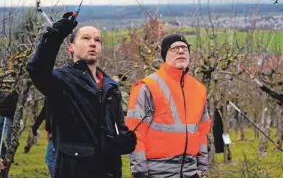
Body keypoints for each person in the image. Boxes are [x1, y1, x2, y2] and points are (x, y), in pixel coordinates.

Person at [27, 18, 136, 177]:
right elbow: (37, 70)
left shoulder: (111, 86)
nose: (93, 43)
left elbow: (119, 127)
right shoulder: (62, 80)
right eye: (86, 38)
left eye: (97, 40)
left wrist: (125, 141)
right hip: (74, 171)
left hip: (110, 172)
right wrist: (55, 36)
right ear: (71, 47)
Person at [126, 34, 212, 178]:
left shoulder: (199, 89)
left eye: (184, 48)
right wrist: (140, 173)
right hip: (157, 171)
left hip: (190, 172)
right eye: (175, 48)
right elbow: (135, 133)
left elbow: (202, 132)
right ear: (165, 54)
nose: (181, 51)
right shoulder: (148, 86)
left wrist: (201, 168)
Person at [31, 99, 55, 177]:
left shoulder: (57, 95)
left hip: (58, 132)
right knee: (54, 158)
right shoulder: (48, 98)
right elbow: (44, 112)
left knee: (49, 158)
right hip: (52, 132)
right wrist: (36, 126)